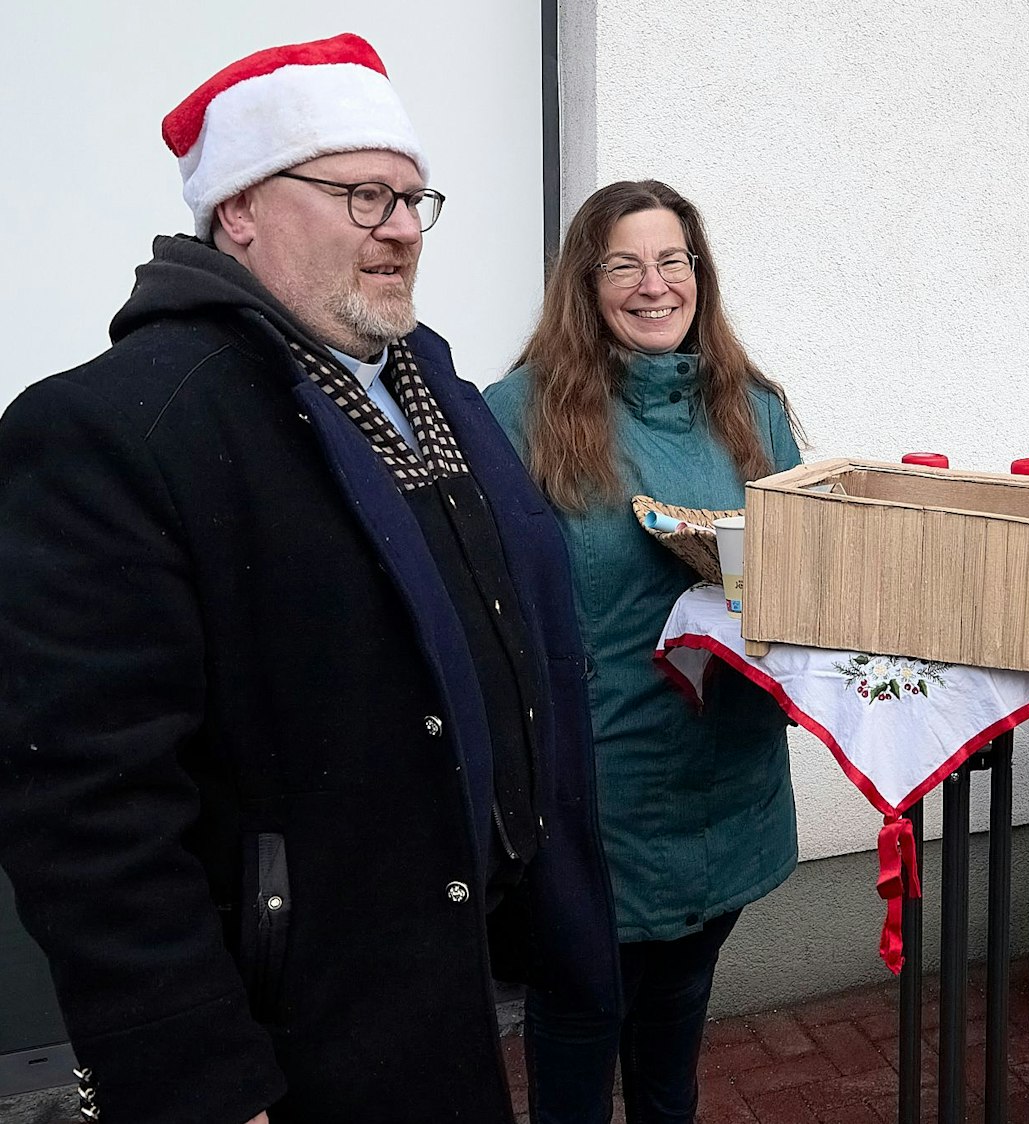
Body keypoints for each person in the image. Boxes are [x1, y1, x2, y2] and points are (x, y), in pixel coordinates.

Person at [0, 34, 618, 1124]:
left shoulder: (429, 385)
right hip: (299, 1030)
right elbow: (88, 809)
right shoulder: (120, 426)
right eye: (362, 195)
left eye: (414, 200)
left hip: (456, 966)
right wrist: (201, 1081)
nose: (398, 229)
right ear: (239, 208)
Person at [484, 180, 803, 1124]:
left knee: (674, 1026)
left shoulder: (752, 409)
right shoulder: (519, 415)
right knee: (580, 1021)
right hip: (594, 791)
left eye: (672, 261)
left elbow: (799, 572)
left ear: (698, 274)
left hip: (724, 775)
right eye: (623, 263)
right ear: (586, 283)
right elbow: (492, 610)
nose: (651, 284)